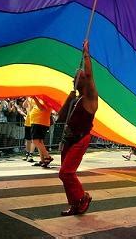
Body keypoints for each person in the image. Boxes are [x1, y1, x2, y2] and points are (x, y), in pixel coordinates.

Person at [57, 40, 98, 216]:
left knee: (66, 173)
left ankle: (83, 198)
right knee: (64, 175)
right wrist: (69, 97)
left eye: (78, 75)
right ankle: (75, 204)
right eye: (75, 76)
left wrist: (86, 55)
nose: (75, 77)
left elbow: (89, 76)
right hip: (68, 139)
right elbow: (60, 117)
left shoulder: (90, 97)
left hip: (80, 139)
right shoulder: (76, 98)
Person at [30, 96, 53, 167]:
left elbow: (41, 108)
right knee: (40, 142)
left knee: (35, 141)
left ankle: (48, 157)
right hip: (39, 122)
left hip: (39, 122)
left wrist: (34, 98)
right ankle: (43, 160)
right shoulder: (42, 98)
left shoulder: (45, 98)